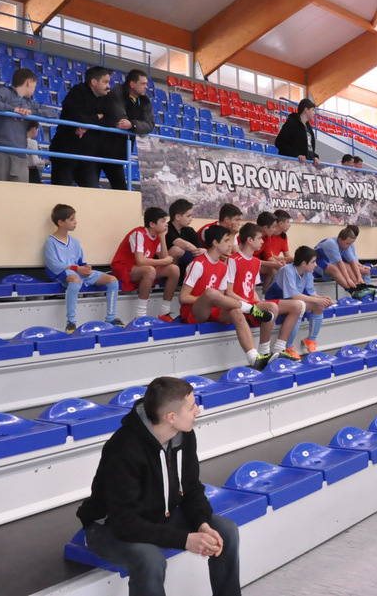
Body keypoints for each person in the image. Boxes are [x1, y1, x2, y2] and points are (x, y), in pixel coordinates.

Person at [78, 376, 241, 596]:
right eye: (192, 407)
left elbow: (191, 489)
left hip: (157, 516)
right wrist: (185, 540)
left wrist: (202, 524)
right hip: (108, 528)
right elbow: (124, 522)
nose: (198, 410)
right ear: (171, 417)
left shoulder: (184, 436)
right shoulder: (123, 448)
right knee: (150, 560)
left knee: (225, 531)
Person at [179, 224, 274, 370]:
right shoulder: (198, 264)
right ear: (215, 243)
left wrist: (215, 301)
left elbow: (222, 297)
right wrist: (207, 300)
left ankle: (254, 358)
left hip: (213, 308)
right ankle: (250, 309)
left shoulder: (223, 267)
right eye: (226, 241)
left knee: (236, 311)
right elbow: (183, 297)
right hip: (194, 311)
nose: (230, 245)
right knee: (211, 293)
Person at [229, 222, 305, 361]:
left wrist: (258, 303)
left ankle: (279, 349)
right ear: (249, 240)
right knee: (272, 307)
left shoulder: (256, 262)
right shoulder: (233, 260)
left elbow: (252, 289)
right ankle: (264, 352)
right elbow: (228, 292)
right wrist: (251, 305)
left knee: (297, 305)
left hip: (251, 303)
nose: (262, 241)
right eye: (259, 238)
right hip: (238, 304)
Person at [44, 204, 122, 333]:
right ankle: (71, 322)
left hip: (78, 272)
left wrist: (86, 268)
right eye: (72, 219)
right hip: (64, 274)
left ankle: (111, 318)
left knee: (112, 280)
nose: (75, 222)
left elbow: (81, 261)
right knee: (75, 280)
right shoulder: (51, 242)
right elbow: (53, 265)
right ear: (61, 222)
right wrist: (76, 268)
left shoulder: (75, 242)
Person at [0, 68, 58, 182]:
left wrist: (30, 112)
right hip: (0, 151)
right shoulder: (5, 92)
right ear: (28, 83)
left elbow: (53, 113)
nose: (34, 90)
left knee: (20, 190)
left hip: (20, 154)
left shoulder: (29, 103)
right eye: (34, 86)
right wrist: (13, 110)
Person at [110, 206, 180, 321]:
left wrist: (162, 238)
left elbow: (165, 259)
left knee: (174, 269)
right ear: (152, 224)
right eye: (163, 221)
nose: (166, 224)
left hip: (142, 268)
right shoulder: (138, 233)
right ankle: (140, 315)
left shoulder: (157, 235)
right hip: (124, 267)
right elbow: (140, 260)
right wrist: (163, 261)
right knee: (150, 270)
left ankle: (164, 312)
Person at [265, 245, 334, 357]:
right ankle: (288, 346)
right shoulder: (287, 270)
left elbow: (311, 292)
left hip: (292, 302)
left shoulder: (308, 272)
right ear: (304, 263)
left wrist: (321, 298)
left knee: (319, 306)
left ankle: (310, 340)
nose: (316, 265)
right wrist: (317, 300)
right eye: (313, 262)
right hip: (275, 302)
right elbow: (294, 296)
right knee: (300, 306)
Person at [49, 66, 111, 188]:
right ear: (94, 82)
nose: (108, 86)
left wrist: (87, 124)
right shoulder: (77, 92)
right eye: (105, 82)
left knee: (92, 193)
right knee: (62, 193)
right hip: (65, 153)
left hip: (89, 157)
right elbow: (75, 115)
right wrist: (95, 118)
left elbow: (110, 121)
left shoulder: (106, 99)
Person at [103, 69, 154, 190]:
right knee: (90, 187)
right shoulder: (117, 93)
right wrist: (133, 125)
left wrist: (133, 125)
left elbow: (150, 125)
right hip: (103, 147)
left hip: (120, 152)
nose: (146, 87)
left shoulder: (145, 100)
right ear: (132, 84)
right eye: (143, 84)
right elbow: (121, 121)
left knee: (121, 189)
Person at [315, 228, 370, 299]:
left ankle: (361, 290)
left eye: (351, 244)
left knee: (348, 266)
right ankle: (352, 291)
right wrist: (348, 279)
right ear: (340, 239)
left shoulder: (345, 245)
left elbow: (352, 262)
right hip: (316, 262)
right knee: (334, 269)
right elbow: (340, 263)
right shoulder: (331, 243)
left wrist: (359, 277)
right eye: (347, 243)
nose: (349, 246)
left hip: (329, 262)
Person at [165, 198, 206, 283]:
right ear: (177, 217)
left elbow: (200, 249)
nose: (191, 219)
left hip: (187, 264)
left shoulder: (190, 230)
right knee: (176, 250)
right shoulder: (166, 229)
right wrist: (197, 251)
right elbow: (185, 245)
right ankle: (170, 280)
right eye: (188, 216)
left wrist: (203, 251)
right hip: (169, 265)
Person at [274, 98, 319, 165]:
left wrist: (314, 156)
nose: (314, 112)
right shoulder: (292, 123)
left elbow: (308, 147)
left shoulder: (308, 127)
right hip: (293, 164)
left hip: (306, 165)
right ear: (306, 110)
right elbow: (279, 142)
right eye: (312, 110)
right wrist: (295, 155)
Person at [253, 211, 284, 293]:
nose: (275, 230)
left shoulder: (268, 238)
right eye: (273, 227)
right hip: (246, 265)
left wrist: (278, 263)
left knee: (274, 269)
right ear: (265, 228)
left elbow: (268, 256)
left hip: (257, 264)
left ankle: (264, 294)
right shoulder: (250, 235)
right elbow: (248, 260)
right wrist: (273, 264)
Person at [342, 224, 376, 292]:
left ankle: (366, 288)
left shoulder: (351, 243)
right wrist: (361, 266)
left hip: (353, 263)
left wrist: (361, 265)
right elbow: (350, 260)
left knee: (366, 269)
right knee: (366, 271)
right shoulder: (346, 243)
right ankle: (365, 289)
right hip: (348, 264)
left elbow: (353, 258)